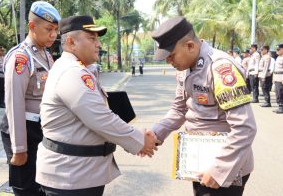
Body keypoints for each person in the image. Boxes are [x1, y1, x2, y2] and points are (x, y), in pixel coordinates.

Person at [35, 15, 160, 196]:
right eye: (92, 38)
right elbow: (101, 119)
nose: (98, 44)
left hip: (77, 173)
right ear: (71, 42)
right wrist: (139, 140)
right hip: (71, 176)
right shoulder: (72, 73)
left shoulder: (77, 69)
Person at [149, 17, 256, 196]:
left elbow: (245, 127)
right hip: (199, 162)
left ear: (190, 46)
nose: (169, 62)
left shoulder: (220, 69)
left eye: (171, 56)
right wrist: (156, 133)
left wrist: (219, 170)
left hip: (224, 167)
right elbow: (179, 109)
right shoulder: (186, 68)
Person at [1, 1, 61, 196]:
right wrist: (19, 148)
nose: (53, 34)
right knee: (26, 188)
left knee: (41, 186)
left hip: (39, 129)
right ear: (32, 26)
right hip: (22, 130)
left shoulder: (46, 55)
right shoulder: (21, 58)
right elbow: (14, 104)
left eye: (55, 30)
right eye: (49, 29)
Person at [273, 44, 283, 114]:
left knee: (280, 92)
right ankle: (279, 106)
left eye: (278, 49)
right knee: (277, 92)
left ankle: (281, 107)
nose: (277, 51)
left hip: (281, 77)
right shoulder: (278, 57)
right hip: (276, 76)